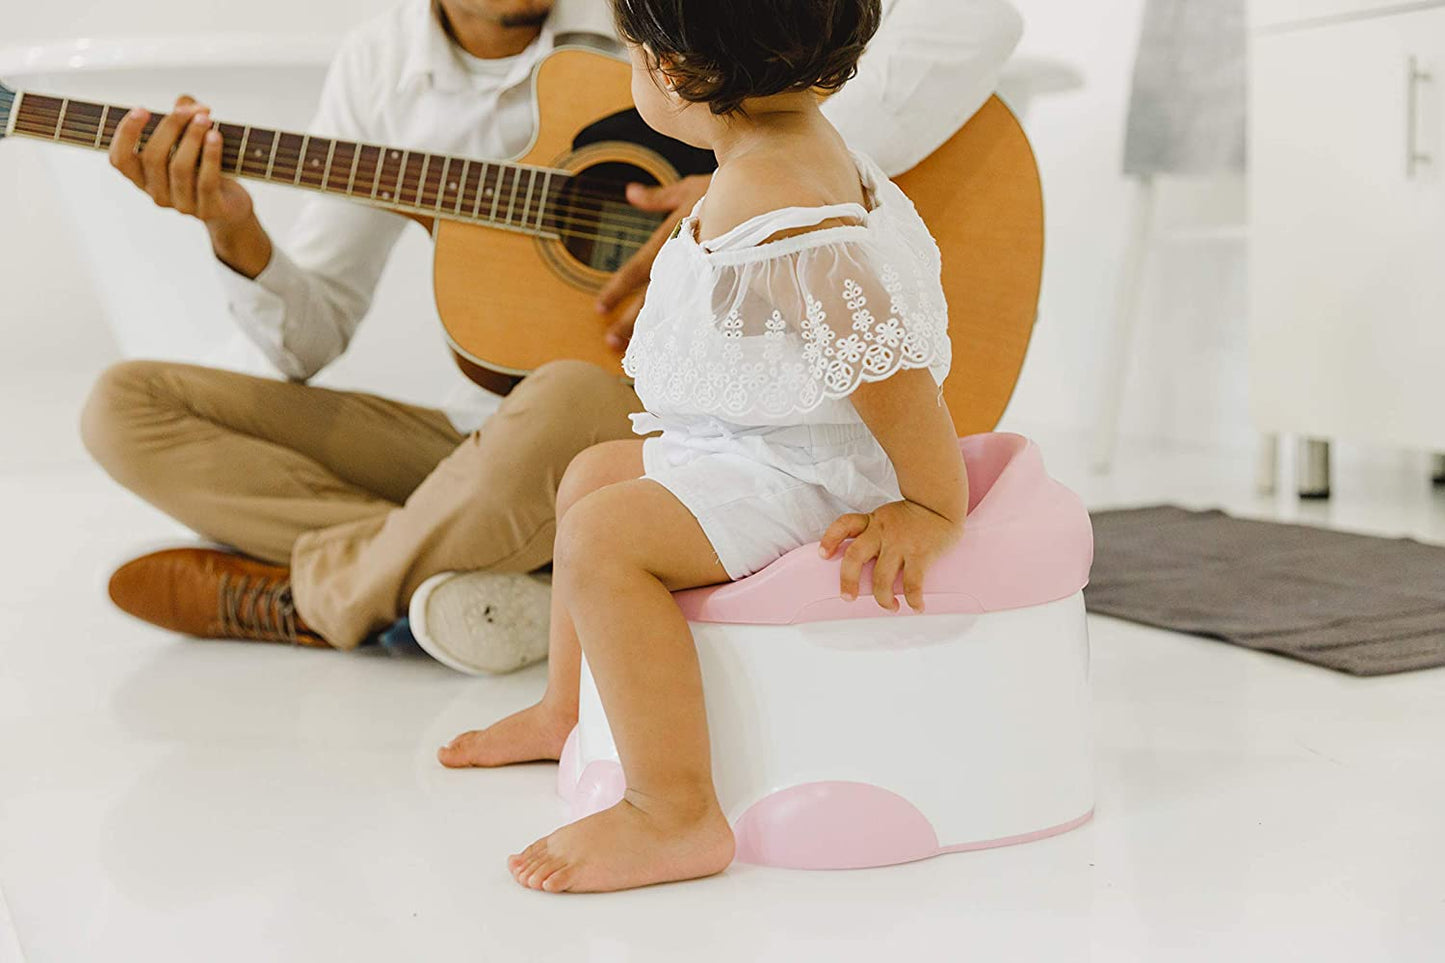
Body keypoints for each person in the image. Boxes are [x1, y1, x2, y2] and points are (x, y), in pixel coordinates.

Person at [82, 0, 1022, 673]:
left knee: (569, 394)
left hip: (673, 433)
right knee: (128, 407)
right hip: (482, 444)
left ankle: (322, 596)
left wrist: (766, 150)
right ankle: (457, 574)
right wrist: (233, 228)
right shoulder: (379, 65)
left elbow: (977, 18)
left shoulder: (681, 23)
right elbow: (307, 341)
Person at [448, 0, 969, 893]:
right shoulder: (785, 152)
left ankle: (672, 809)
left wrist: (929, 501)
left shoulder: (770, 193)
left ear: (675, 72)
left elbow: (878, 354)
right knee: (592, 476)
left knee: (602, 538)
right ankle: (564, 710)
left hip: (806, 473)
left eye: (628, 53)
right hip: (765, 446)